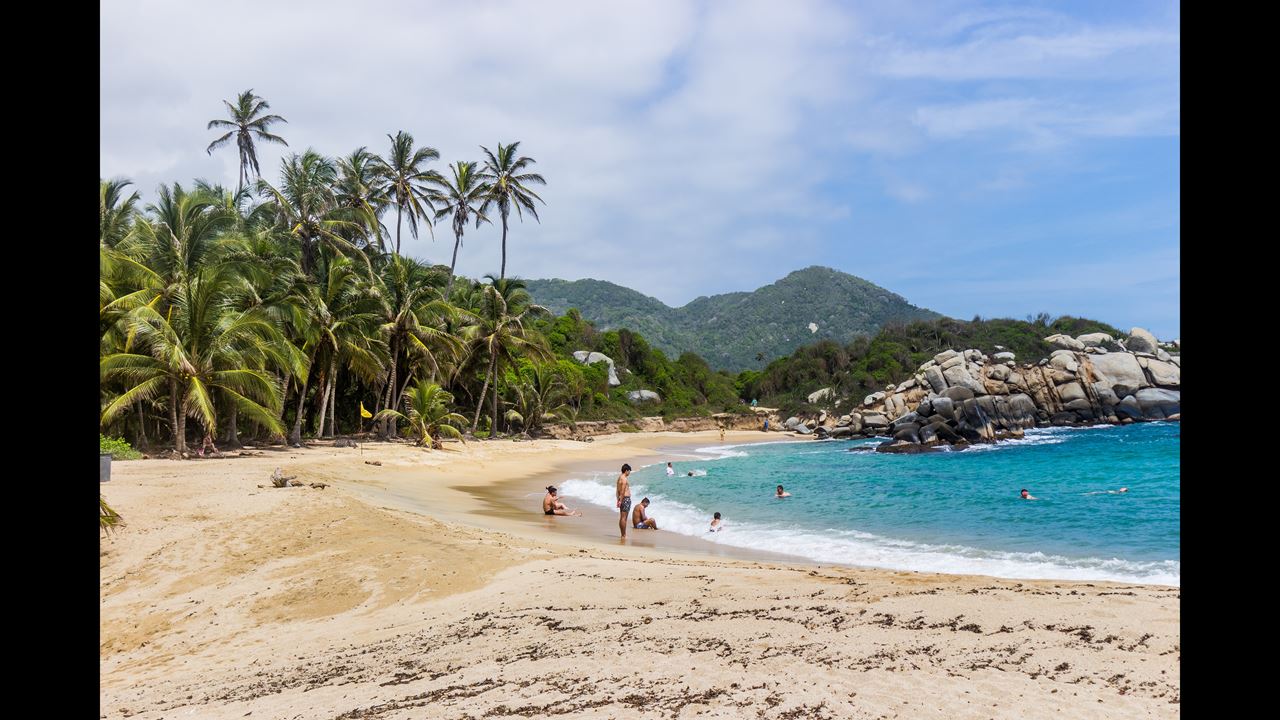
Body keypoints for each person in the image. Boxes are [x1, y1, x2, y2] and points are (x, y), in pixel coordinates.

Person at [616, 464, 633, 538]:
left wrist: (618, 499)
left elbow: (617, 490)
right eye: (629, 471)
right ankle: (624, 535)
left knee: (622, 517)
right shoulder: (624, 479)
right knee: (624, 518)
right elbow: (622, 490)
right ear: (626, 470)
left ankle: (622, 534)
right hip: (625, 499)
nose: (629, 473)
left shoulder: (619, 478)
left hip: (622, 498)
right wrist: (621, 500)